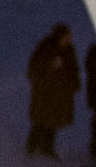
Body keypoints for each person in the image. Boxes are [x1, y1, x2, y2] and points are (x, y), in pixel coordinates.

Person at [26, 23, 80, 158]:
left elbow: (73, 69)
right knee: (42, 120)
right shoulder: (46, 48)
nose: (69, 39)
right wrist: (51, 67)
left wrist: (74, 84)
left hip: (60, 94)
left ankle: (47, 147)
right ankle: (32, 146)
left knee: (54, 121)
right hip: (45, 93)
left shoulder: (69, 51)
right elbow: (34, 70)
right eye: (66, 36)